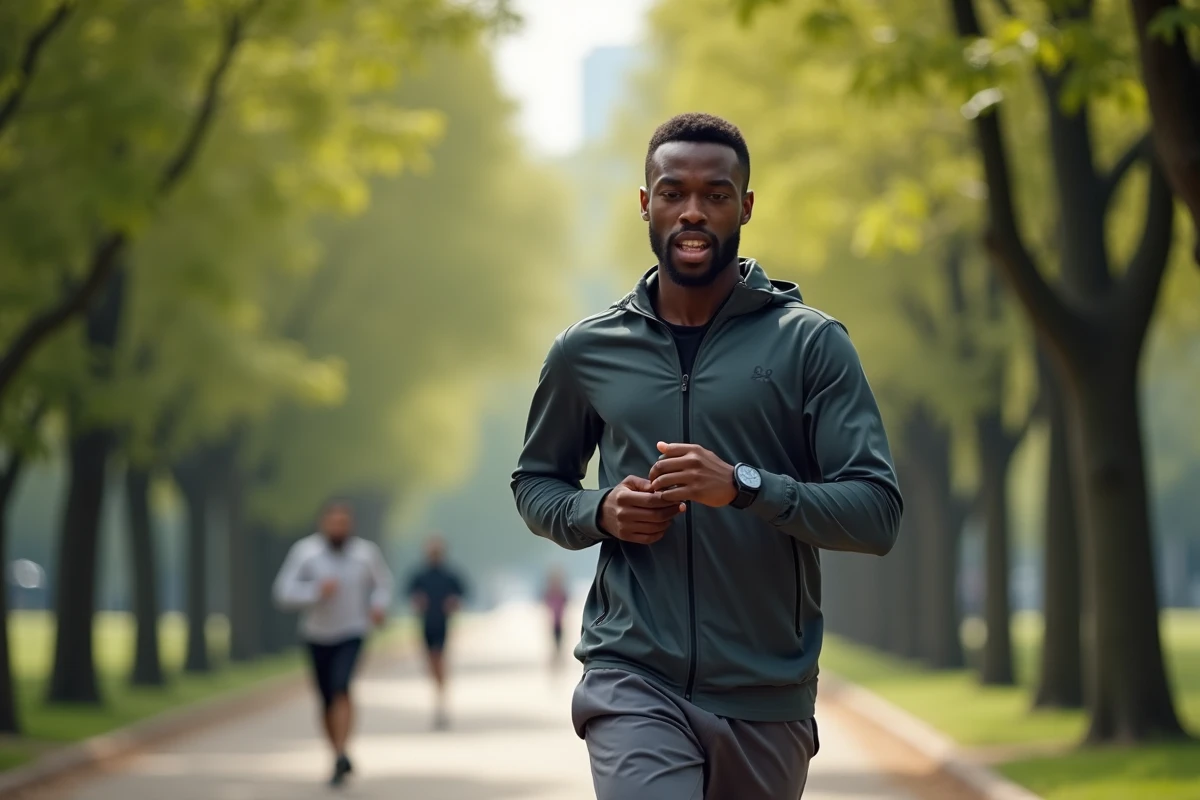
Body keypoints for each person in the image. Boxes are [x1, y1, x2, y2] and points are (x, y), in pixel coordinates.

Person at [511, 112, 903, 799]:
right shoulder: (587, 350)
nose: (693, 211)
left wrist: (746, 486)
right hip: (633, 674)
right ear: (645, 203)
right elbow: (537, 482)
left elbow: (876, 513)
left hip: (766, 692)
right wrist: (599, 510)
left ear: (746, 205)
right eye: (673, 192)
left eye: (716, 195)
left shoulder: (810, 345)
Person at [272, 500, 393, 788]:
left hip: (352, 631)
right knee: (326, 698)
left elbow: (382, 585)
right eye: (333, 522)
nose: (338, 528)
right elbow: (282, 592)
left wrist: (377, 606)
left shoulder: (365, 554)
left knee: (342, 687)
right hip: (316, 634)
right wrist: (315, 591)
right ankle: (337, 752)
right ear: (323, 524)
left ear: (350, 525)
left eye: (344, 523)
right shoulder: (305, 553)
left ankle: (341, 751)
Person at [406, 536, 467, 729]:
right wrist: (417, 602)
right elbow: (410, 595)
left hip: (442, 624)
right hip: (426, 625)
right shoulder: (419, 575)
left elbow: (462, 594)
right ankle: (438, 692)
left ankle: (441, 701)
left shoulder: (450, 575)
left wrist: (453, 603)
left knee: (439, 659)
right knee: (431, 663)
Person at [542, 566, 570, 667]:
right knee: (555, 642)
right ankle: (556, 661)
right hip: (554, 622)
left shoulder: (560, 593)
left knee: (560, 642)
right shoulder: (551, 593)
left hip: (560, 621)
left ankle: (559, 660)